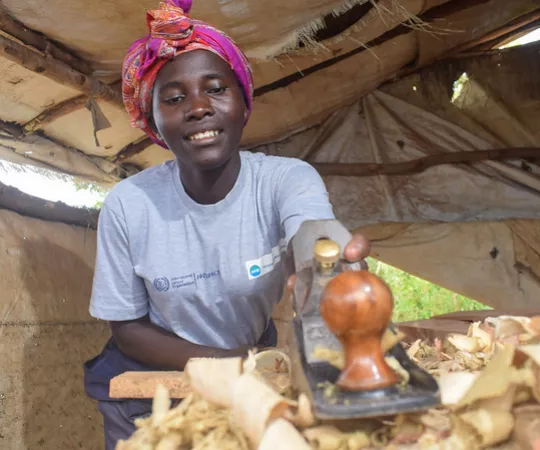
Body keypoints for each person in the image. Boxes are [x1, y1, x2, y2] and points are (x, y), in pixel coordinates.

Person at [82, 1, 370, 448]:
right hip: (152, 387)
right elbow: (128, 328)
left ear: (242, 100)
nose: (198, 109)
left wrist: (331, 268)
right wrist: (236, 363)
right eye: (174, 99)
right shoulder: (129, 204)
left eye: (215, 89)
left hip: (253, 367)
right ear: (153, 118)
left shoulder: (284, 180)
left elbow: (314, 230)